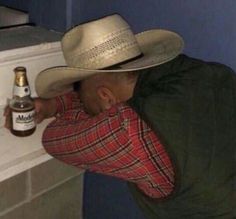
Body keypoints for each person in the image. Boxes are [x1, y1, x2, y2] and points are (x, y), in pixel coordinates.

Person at [4, 14, 236, 218]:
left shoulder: (130, 132)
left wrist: (58, 107)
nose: (79, 102)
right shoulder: (197, 73)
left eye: (79, 94)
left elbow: (54, 140)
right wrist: (57, 104)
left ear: (106, 98)